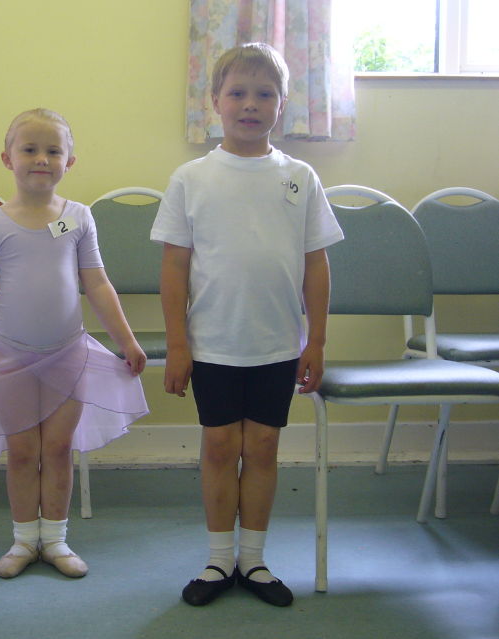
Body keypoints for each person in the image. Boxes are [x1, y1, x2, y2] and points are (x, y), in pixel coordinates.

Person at [0, 108, 149, 579]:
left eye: (53, 150)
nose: (41, 159)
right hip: (9, 355)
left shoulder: (78, 217)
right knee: (21, 451)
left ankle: (54, 539)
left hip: (69, 354)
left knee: (57, 449)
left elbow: (97, 285)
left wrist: (127, 342)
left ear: (69, 161)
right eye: (30, 149)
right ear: (7, 158)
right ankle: (22, 541)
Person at [151, 43, 344, 607]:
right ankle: (217, 560)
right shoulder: (191, 177)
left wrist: (317, 341)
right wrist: (178, 344)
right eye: (237, 92)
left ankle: (253, 561)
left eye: (265, 94)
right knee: (218, 446)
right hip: (212, 344)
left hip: (277, 345)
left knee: (261, 446)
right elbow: (174, 267)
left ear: (281, 106)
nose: (250, 104)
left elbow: (317, 265)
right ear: (215, 101)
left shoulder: (300, 177)